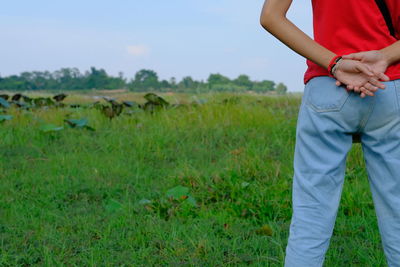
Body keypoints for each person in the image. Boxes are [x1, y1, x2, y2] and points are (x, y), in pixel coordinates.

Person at [260, 0, 400, 266]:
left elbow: (270, 17)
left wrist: (334, 63)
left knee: (311, 212)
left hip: (328, 85)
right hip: (387, 85)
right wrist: (383, 56)